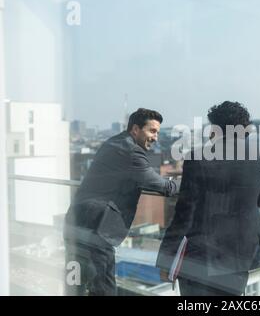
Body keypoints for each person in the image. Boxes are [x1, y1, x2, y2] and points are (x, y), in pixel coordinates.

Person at [156, 101, 260, 296]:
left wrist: (166, 260)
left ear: (216, 128)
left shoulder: (198, 157)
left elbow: (184, 213)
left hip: (202, 254)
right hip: (241, 251)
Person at [64, 108, 178, 296]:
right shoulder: (132, 151)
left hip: (76, 223)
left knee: (75, 282)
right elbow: (160, 185)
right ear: (135, 129)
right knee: (103, 288)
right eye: (152, 131)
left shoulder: (114, 142)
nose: (156, 137)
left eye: (157, 132)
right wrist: (188, 183)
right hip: (97, 229)